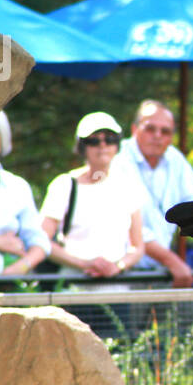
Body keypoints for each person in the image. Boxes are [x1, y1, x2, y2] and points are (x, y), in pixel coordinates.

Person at [111, 100, 193, 287]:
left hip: (162, 273)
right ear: (134, 129)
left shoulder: (174, 159)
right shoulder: (117, 158)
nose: (157, 136)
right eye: (150, 129)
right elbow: (128, 226)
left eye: (165, 131)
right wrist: (172, 261)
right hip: (122, 274)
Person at [39, 112, 147, 281]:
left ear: (117, 144)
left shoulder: (129, 185)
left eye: (110, 139)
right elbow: (42, 240)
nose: (102, 145)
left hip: (117, 288)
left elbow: (137, 247)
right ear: (82, 146)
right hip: (73, 286)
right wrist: (84, 264)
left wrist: (117, 267)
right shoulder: (64, 185)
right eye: (94, 140)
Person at [0, 110, 51, 279]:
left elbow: (40, 243)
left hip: (10, 286)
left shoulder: (17, 186)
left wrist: (17, 270)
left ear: (1, 139)